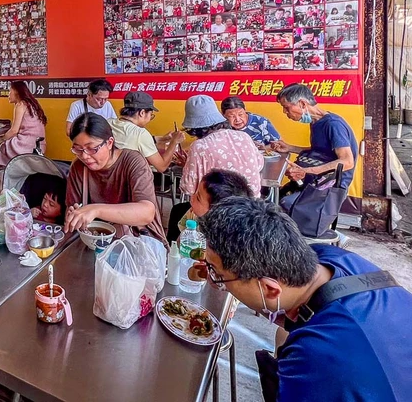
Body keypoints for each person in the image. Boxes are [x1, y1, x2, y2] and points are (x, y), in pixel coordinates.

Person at [199, 197, 412, 402]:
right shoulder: (331, 258)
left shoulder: (312, 359)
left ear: (270, 289)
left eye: (217, 274)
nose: (216, 280)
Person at [64, 114, 165, 243]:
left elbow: (147, 212)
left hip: (138, 244)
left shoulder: (133, 161)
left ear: (110, 143)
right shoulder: (78, 167)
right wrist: (73, 215)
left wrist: (96, 210)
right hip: (96, 241)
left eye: (92, 148)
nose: (85, 156)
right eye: (78, 149)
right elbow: (72, 207)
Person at [270, 83, 357, 190]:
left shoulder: (333, 124)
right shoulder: (315, 122)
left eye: (286, 107)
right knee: (282, 195)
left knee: (287, 203)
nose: (285, 112)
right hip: (314, 178)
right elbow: (321, 150)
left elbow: (347, 162)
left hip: (330, 184)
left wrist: (306, 171)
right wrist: (290, 148)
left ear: (302, 104)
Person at [177, 95, 263, 197]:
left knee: (178, 210)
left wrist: (188, 167)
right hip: (252, 205)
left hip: (222, 209)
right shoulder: (244, 136)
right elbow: (259, 164)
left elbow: (188, 188)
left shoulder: (200, 146)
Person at [166, 168, 253, 242]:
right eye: (196, 192)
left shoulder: (228, 238)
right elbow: (179, 244)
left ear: (216, 212)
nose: (192, 197)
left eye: (198, 198)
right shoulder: (192, 215)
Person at [109, 91, 184, 173]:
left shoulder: (109, 122)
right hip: (127, 178)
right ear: (142, 113)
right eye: (151, 115)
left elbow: (134, 141)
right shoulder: (140, 133)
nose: (149, 119)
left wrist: (163, 139)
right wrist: (174, 142)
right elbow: (162, 167)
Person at [0, 81, 48, 166]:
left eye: (10, 91)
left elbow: (14, 130)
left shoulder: (20, 104)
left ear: (16, 92)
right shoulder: (32, 104)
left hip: (26, 146)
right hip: (39, 145)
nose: (8, 94)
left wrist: (0, 140)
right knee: (1, 147)